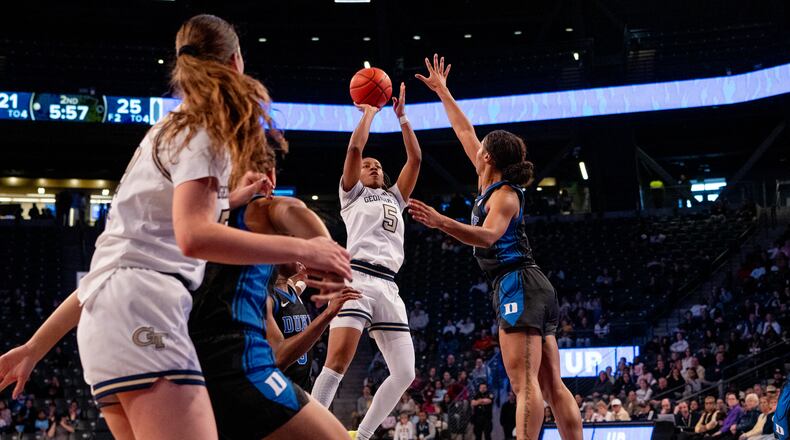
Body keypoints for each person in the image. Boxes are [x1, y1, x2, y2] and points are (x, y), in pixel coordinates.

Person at [0, 14, 352, 440]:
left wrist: (34, 347)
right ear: (236, 61)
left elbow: (114, 268)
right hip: (148, 314)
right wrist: (308, 250)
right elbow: (193, 236)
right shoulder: (205, 127)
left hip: (104, 324)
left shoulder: (167, 129)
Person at [410, 53, 582, 440]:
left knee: (525, 384)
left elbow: (488, 237)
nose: (475, 146)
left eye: (481, 146)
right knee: (551, 385)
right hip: (531, 285)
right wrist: (443, 92)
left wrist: (440, 222)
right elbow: (463, 129)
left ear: (487, 156)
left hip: (517, 283)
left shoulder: (504, 195)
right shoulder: (488, 181)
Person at [311, 81, 422, 440]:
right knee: (337, 364)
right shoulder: (352, 194)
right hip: (356, 279)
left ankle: (362, 436)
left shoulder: (395, 198)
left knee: (405, 372)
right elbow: (355, 148)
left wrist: (402, 118)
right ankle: (309, 432)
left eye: (378, 166)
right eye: (367, 165)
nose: (373, 167)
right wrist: (370, 114)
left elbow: (415, 159)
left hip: (388, 285)